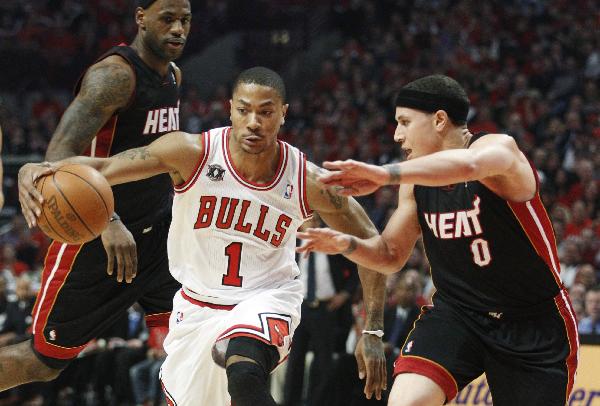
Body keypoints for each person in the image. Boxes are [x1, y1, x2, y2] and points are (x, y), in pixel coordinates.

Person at [18, 67, 388, 406]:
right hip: (196, 308)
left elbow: (373, 244)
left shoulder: (307, 180)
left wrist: (371, 330)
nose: (254, 122)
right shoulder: (191, 152)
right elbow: (105, 167)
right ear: (230, 109)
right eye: (244, 110)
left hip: (268, 299)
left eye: (266, 111)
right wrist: (39, 168)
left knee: (244, 372)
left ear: (284, 113)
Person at [297, 75, 579, 405]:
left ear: (440, 120)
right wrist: (346, 244)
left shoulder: (500, 150)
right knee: (406, 402)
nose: (397, 134)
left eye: (404, 122)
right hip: (459, 313)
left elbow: (470, 165)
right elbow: (390, 255)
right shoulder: (414, 180)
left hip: (533, 321)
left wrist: (383, 175)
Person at [8, 0, 191, 390]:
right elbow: (58, 154)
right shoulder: (114, 76)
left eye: (185, 20)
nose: (178, 29)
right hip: (97, 237)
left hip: (159, 236)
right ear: (141, 18)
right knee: (43, 361)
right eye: (168, 19)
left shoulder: (174, 76)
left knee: (194, 342)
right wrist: (107, 222)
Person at [284, 213, 359, 406]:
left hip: (325, 308)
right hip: (299, 308)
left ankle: (316, 402)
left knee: (323, 363)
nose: (312, 226)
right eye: (308, 222)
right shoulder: (291, 246)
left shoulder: (331, 245)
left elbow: (356, 269)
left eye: (315, 222)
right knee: (295, 361)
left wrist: (344, 294)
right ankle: (290, 402)